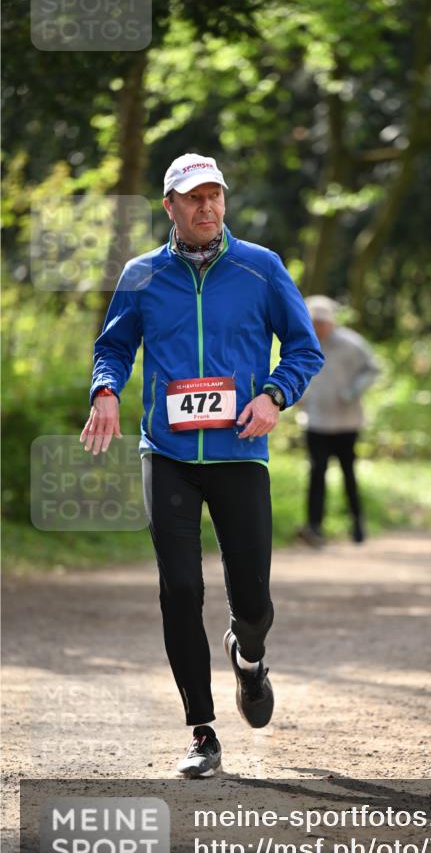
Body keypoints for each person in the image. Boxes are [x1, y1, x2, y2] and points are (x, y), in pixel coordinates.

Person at [80, 153, 324, 776]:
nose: (206, 206)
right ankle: (202, 731)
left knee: (254, 601)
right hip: (167, 454)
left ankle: (250, 657)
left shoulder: (260, 267)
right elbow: (114, 346)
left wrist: (274, 396)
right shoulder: (142, 274)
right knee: (181, 589)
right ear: (170, 206)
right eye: (193, 197)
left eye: (214, 195)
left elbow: (304, 348)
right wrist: (105, 390)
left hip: (240, 451)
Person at [297, 295, 379, 545]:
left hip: (346, 422)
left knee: (348, 473)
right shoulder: (303, 343)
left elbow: (372, 369)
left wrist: (352, 392)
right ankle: (314, 527)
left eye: (320, 323)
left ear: (331, 322)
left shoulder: (351, 343)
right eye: (312, 323)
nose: (317, 328)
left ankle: (357, 524)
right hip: (315, 421)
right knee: (316, 473)